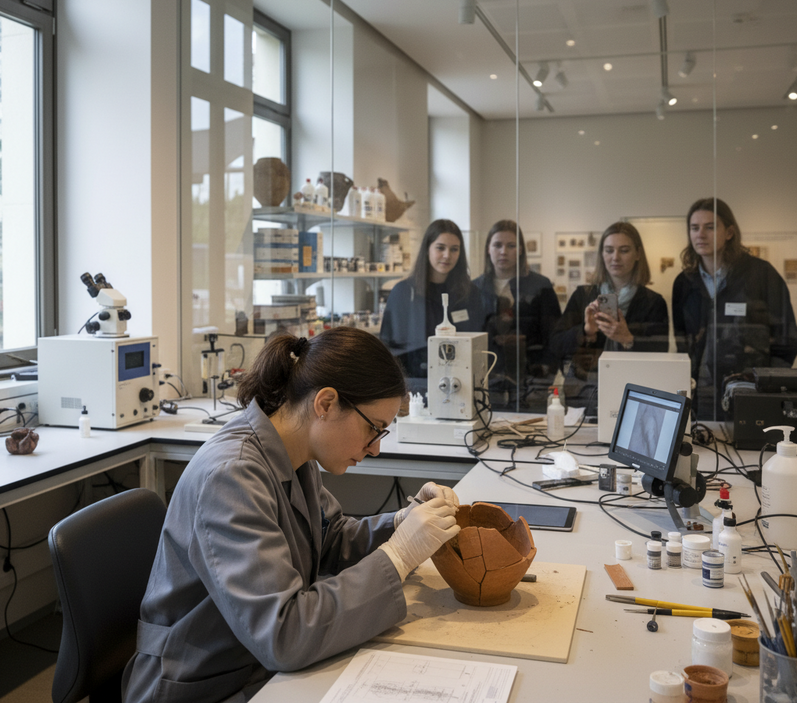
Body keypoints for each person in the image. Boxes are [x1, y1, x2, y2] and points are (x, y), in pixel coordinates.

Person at [122, 328, 460, 703]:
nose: (376, 448)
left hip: (253, 666)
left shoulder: (292, 452)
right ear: (326, 404)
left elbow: (330, 538)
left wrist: (404, 523)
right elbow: (284, 635)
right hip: (201, 684)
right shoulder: (230, 475)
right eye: (373, 429)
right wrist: (399, 556)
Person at [672, 198, 797, 420]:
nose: (700, 234)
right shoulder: (684, 282)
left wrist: (766, 384)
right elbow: (683, 339)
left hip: (750, 391)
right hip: (701, 394)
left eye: (710, 227)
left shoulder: (761, 274)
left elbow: (786, 339)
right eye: (694, 228)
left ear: (729, 232)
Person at [551, 222, 669, 413]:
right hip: (583, 394)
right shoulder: (583, 295)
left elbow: (660, 354)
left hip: (633, 393)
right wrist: (585, 331)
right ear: (602, 254)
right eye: (609, 250)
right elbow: (556, 344)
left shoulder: (653, 302)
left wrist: (628, 339)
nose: (615, 257)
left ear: (638, 254)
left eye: (624, 250)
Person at [380, 219, 483, 389]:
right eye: (440, 247)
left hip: (461, 385)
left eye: (454, 249)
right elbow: (389, 350)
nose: (447, 255)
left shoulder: (471, 294)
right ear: (427, 249)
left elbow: (477, 345)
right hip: (416, 386)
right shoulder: (404, 292)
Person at [472, 220, 561, 408]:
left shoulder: (540, 286)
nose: (503, 251)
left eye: (511, 245)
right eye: (498, 245)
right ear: (488, 249)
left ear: (520, 250)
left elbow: (554, 338)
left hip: (531, 378)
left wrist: (543, 375)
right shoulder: (474, 289)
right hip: (487, 379)